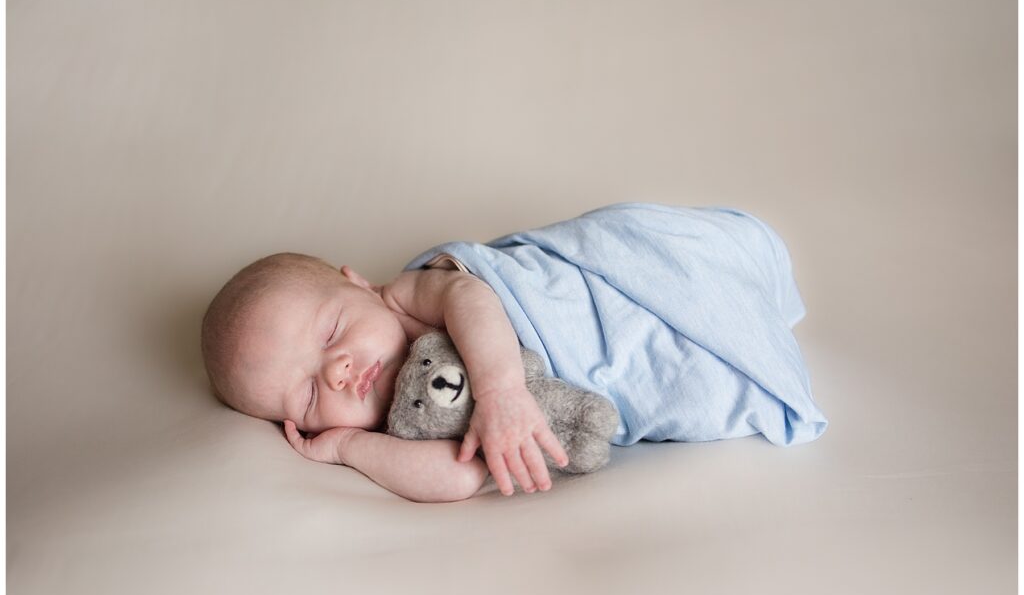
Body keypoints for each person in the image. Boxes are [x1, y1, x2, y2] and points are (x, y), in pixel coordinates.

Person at [201, 203, 828, 503]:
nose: (337, 371)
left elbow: (472, 295)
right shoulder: (397, 425)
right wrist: (346, 448)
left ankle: (731, 294)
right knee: (698, 397)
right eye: (310, 395)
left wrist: (501, 391)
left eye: (331, 329)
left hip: (577, 301)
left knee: (675, 292)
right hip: (580, 390)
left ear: (358, 283)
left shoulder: (408, 294)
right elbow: (459, 475)